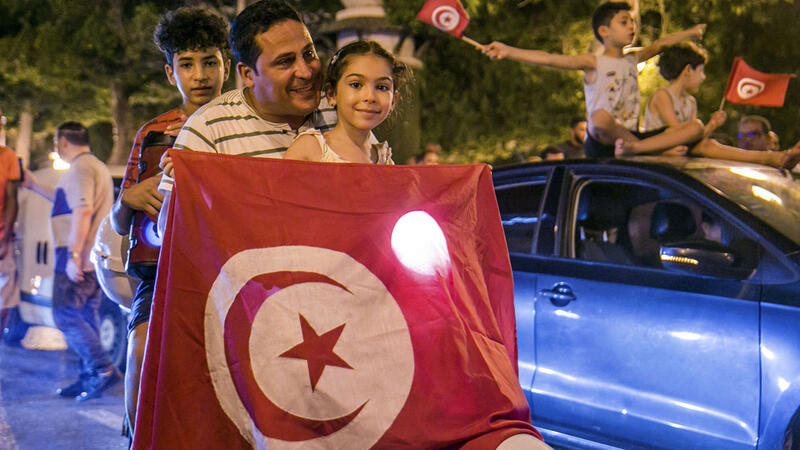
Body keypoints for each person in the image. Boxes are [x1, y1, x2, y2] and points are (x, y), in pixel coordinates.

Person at [110, 5, 230, 439]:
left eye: (210, 62)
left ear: (228, 65)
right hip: (162, 271)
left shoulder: (243, 126)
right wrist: (128, 198)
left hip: (228, 270)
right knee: (141, 348)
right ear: (170, 72)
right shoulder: (153, 134)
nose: (200, 75)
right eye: (187, 64)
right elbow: (119, 222)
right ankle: (138, 438)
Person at [158, 0, 346, 236]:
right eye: (285, 61)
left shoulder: (342, 111)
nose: (306, 71)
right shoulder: (207, 129)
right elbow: (168, 231)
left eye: (308, 53)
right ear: (247, 74)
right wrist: (201, 185)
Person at [484, 2, 705, 158]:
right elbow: (549, 58)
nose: (632, 26)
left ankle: (640, 148)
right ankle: (649, 148)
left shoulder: (633, 59)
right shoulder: (593, 62)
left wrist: (690, 33)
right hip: (602, 140)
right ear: (604, 31)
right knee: (599, 117)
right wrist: (508, 51)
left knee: (695, 127)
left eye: (632, 21)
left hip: (630, 138)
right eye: (624, 22)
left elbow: (661, 44)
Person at [21, 122, 117, 402]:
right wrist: (34, 186)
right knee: (85, 316)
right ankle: (90, 375)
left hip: (76, 255)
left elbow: (82, 210)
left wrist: (75, 256)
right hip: (91, 255)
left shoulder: (80, 169)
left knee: (66, 315)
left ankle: (101, 370)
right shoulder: (94, 166)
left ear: (62, 141)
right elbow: (69, 202)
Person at [644, 44, 800, 168]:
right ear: (688, 70)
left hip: (682, 149)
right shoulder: (663, 95)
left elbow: (693, 139)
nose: (703, 77)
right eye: (701, 71)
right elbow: (678, 134)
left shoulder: (690, 102)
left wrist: (713, 124)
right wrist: (710, 126)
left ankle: (772, 158)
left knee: (709, 145)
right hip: (659, 148)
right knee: (709, 146)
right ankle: (770, 158)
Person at [284, 40, 407, 164]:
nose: (370, 97)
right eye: (356, 85)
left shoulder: (384, 160)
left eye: (382, 87)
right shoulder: (310, 150)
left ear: (393, 101)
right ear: (331, 94)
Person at [0, 142, 20, 336]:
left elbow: (12, 199)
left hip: (1, 238)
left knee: (4, 297)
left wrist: (5, 239)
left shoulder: (7, 157)